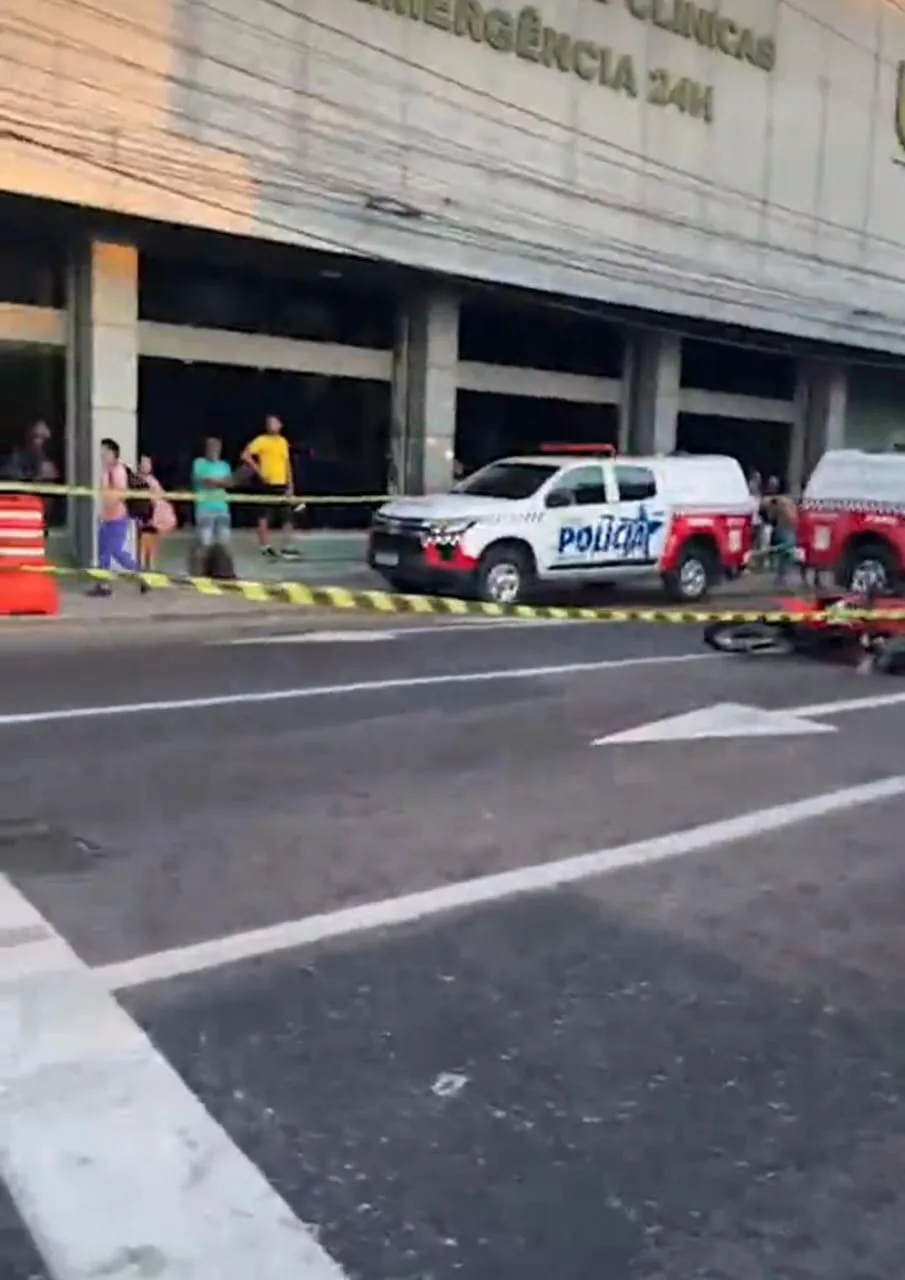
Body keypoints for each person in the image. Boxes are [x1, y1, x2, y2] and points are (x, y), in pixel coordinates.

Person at [89, 438, 143, 596]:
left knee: (117, 553)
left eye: (105, 451)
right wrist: (102, 514)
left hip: (117, 518)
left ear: (113, 453)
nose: (102, 455)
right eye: (101, 451)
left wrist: (109, 510)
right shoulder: (106, 471)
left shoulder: (118, 471)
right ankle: (103, 586)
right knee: (103, 554)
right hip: (107, 518)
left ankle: (142, 575)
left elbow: (120, 494)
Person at [240, 415, 298, 558]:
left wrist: (291, 484)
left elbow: (286, 463)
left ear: (280, 425)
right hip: (266, 484)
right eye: (268, 423)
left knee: (287, 516)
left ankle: (287, 546)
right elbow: (245, 455)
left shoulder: (283, 442)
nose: (271, 425)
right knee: (264, 516)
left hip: (282, 483)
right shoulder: (261, 440)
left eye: (274, 422)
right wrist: (259, 470)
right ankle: (265, 546)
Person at [136, 455, 177, 572]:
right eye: (144, 463)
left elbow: (160, 497)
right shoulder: (138, 480)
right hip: (145, 517)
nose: (146, 466)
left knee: (151, 545)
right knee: (144, 545)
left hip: (153, 517)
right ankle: (144, 568)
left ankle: (150, 569)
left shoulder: (152, 481)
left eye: (148, 463)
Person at [191, 436, 232, 552]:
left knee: (223, 544)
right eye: (211, 447)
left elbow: (230, 483)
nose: (214, 450)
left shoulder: (224, 465)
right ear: (206, 449)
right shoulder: (199, 463)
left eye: (217, 447)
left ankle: (219, 568)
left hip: (222, 508)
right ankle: (204, 568)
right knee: (205, 543)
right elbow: (202, 481)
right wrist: (220, 482)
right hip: (205, 508)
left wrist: (216, 482)